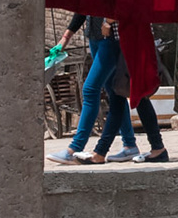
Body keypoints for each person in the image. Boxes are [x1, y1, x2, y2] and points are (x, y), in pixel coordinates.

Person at [48, 14, 137, 164]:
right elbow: (84, 8)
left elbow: (120, 0)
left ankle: (75, 148)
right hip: (94, 38)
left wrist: (109, 21)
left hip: (110, 39)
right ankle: (130, 145)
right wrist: (66, 36)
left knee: (90, 89)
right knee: (115, 92)